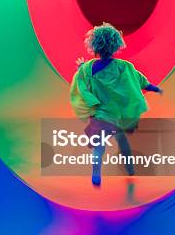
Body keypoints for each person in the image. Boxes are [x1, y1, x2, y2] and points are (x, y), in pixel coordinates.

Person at [70, 23, 163, 186]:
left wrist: (80, 67)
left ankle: (96, 174)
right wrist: (154, 88)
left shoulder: (89, 68)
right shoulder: (123, 67)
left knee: (99, 147)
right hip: (116, 116)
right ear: (115, 45)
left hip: (100, 116)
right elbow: (139, 80)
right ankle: (130, 169)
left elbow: (83, 79)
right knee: (122, 141)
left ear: (94, 46)